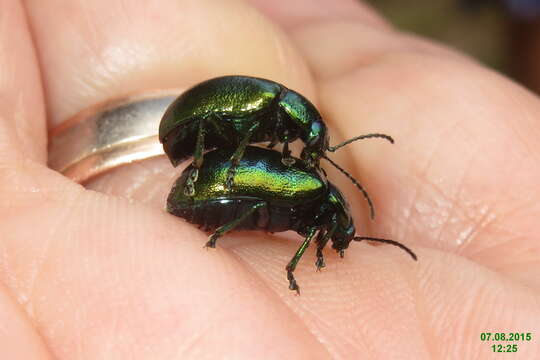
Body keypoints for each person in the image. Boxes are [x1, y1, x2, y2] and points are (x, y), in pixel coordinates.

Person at [0, 0, 539, 358]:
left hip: (203, 177)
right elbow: (236, 135)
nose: (306, 153)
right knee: (249, 166)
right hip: (191, 130)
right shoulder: (274, 115)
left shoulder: (294, 143)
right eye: (311, 142)